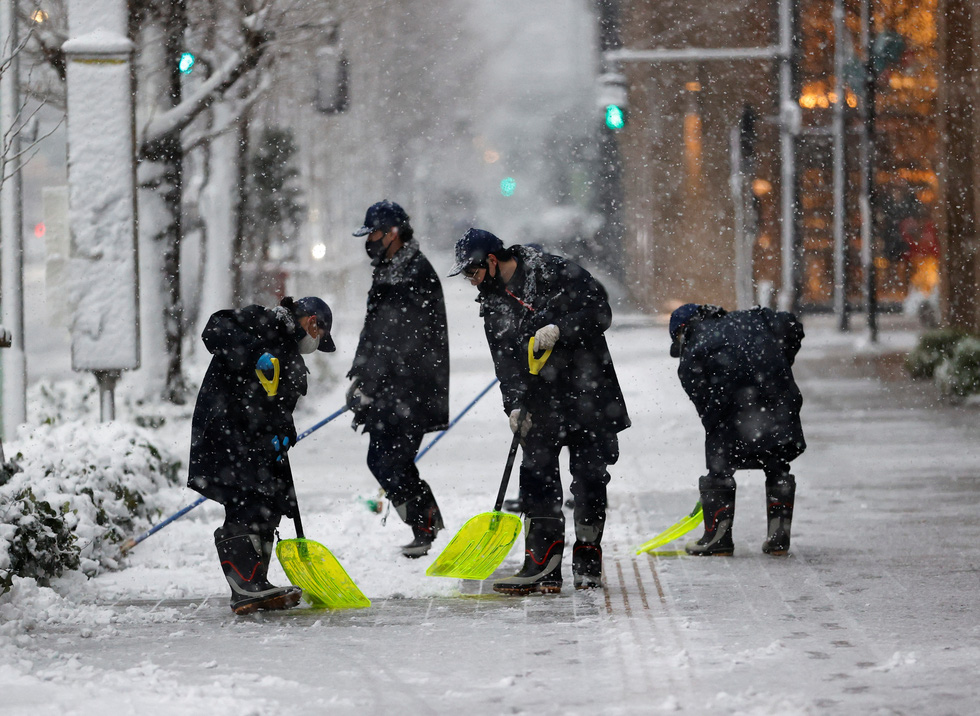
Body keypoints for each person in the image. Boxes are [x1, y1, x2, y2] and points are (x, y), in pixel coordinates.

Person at [449, 228, 630, 593]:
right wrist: (514, 406)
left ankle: (588, 559)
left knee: (590, 477)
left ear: (492, 260)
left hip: (588, 390)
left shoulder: (554, 271)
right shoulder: (492, 303)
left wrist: (560, 329)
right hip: (540, 401)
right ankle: (542, 564)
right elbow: (504, 362)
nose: (472, 281)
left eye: (473, 272)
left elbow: (601, 312)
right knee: (536, 478)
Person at [188, 296, 336, 615]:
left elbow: (280, 406)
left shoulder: (294, 360)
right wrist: (254, 352)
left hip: (257, 440)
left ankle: (257, 582)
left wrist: (285, 430)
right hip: (227, 429)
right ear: (313, 323)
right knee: (244, 500)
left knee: (271, 502)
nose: (316, 344)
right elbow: (214, 330)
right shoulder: (260, 320)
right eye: (319, 337)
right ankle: (245, 585)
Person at [348, 200, 450, 558]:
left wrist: (372, 384)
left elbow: (402, 339)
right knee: (383, 460)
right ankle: (425, 522)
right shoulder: (390, 269)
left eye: (374, 233)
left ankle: (425, 527)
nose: (369, 241)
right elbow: (374, 329)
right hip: (390, 387)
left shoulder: (414, 274)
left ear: (392, 232)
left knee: (390, 460)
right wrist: (360, 374)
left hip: (413, 388)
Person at [668, 303, 805, 556]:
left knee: (719, 470)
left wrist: (717, 430)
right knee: (777, 464)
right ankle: (778, 537)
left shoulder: (693, 347)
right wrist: (780, 361)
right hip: (777, 395)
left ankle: (718, 539)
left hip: (730, 403)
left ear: (682, 330)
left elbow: (702, 403)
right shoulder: (754, 318)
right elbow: (791, 325)